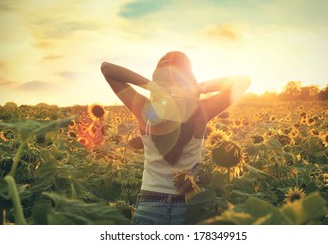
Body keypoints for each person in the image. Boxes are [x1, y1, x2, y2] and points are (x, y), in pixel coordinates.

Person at [100, 51, 251, 225]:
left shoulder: (145, 109)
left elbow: (107, 69)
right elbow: (243, 81)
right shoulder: (200, 112)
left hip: (150, 206)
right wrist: (196, 88)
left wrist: (150, 86)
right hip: (188, 208)